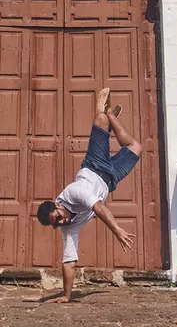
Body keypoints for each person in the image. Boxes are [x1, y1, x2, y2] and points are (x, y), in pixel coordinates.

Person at [35, 87, 143, 303]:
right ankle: (111, 114)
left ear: (57, 206)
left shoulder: (73, 193)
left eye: (57, 218)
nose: (60, 223)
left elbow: (100, 209)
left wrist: (117, 231)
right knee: (136, 147)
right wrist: (66, 296)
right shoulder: (68, 227)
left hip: (95, 165)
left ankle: (103, 112)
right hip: (109, 179)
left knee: (100, 120)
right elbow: (69, 262)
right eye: (55, 225)